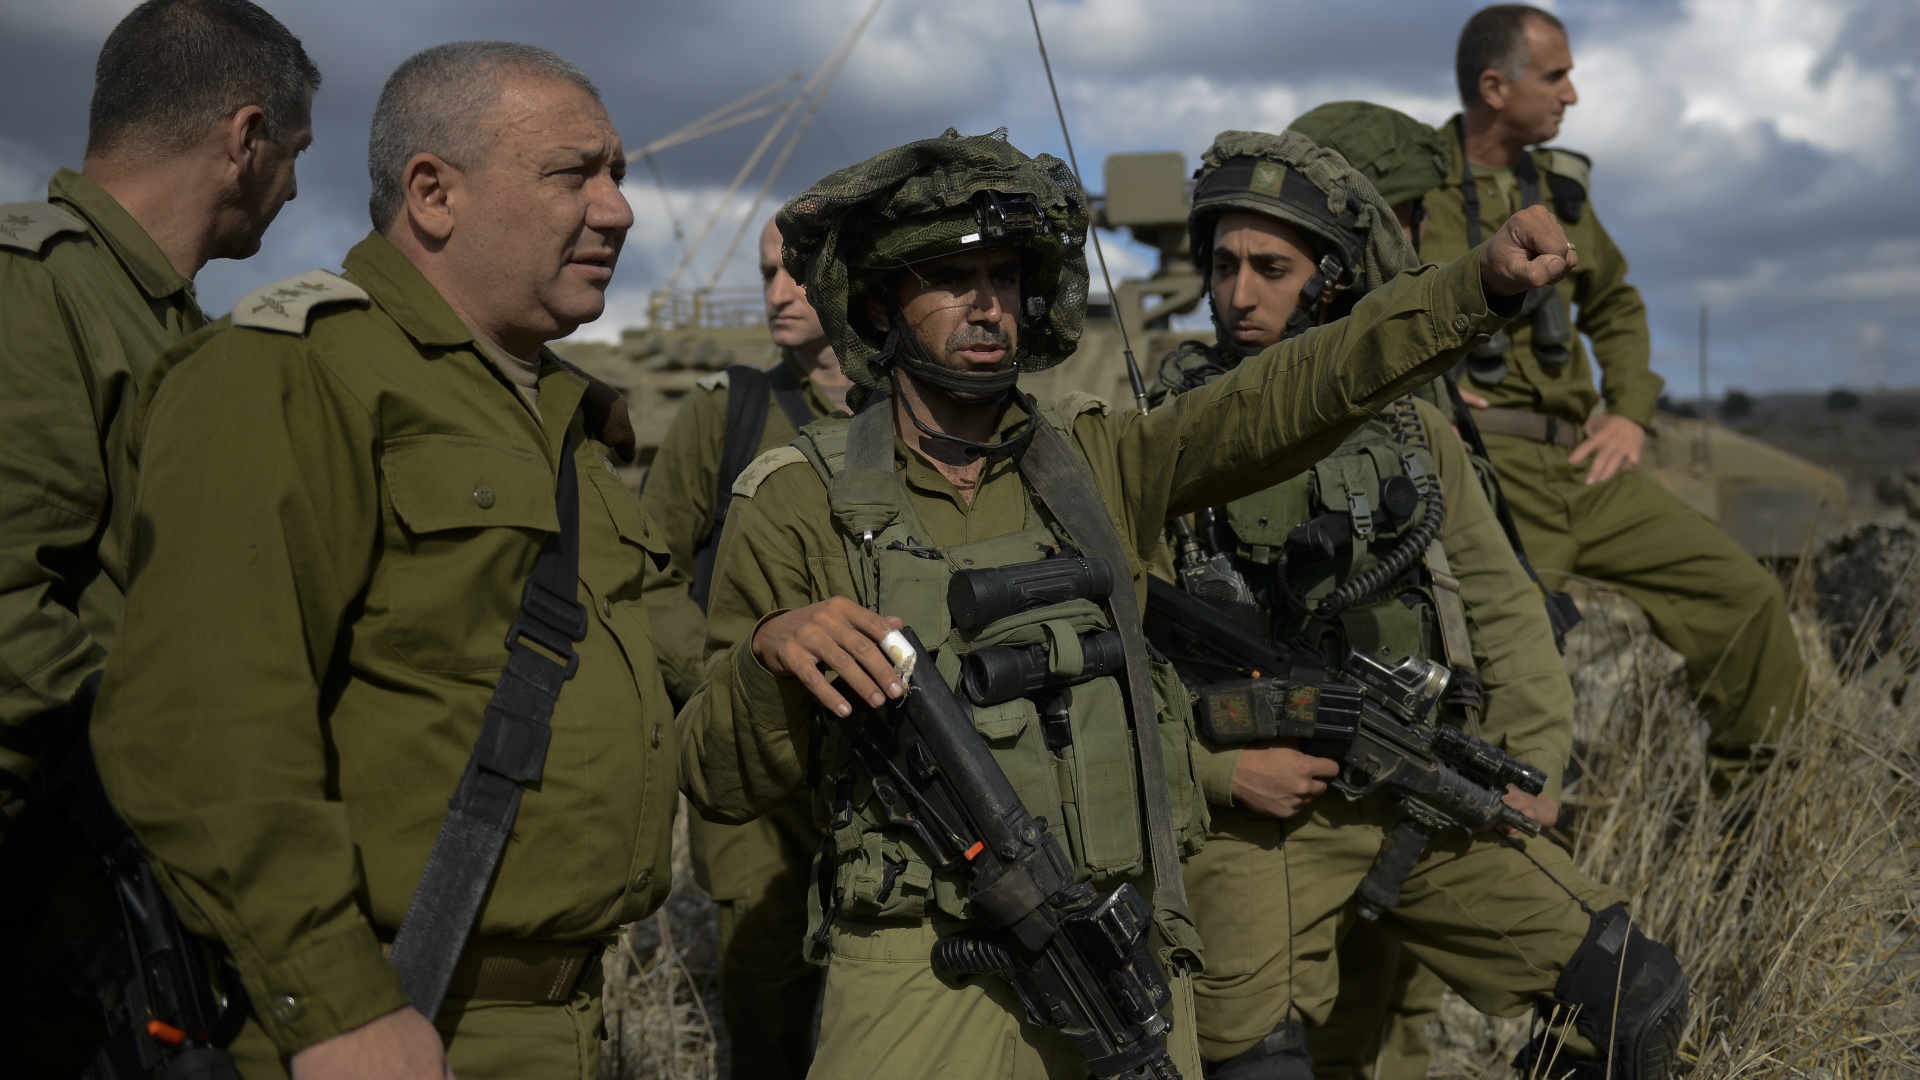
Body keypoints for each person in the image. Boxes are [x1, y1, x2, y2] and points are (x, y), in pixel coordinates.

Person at [674, 126, 1579, 1078]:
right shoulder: (798, 499)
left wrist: (1473, 289)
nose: (986, 305)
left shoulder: (1101, 461)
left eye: (1004, 277)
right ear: (878, 305)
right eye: (948, 278)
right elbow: (718, 777)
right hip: (917, 968)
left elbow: (1294, 393)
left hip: (1120, 958)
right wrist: (773, 652)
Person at [92, 42, 677, 1079]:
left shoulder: (563, 414)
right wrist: (335, 1008)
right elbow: (201, 723)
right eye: (572, 174)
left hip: (562, 1024)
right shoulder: (289, 373)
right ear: (433, 194)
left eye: (618, 175)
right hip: (389, 1017)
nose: (618, 209)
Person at [1155, 128, 1689, 1080]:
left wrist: (1529, 762)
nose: (1239, 294)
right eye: (1225, 265)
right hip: (1257, 815)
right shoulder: (1163, 437)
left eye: (1271, 268)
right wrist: (1220, 774)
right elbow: (1115, 660)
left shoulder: (1412, 430)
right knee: (1257, 1064)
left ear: (1329, 283)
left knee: (1633, 997)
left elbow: (1505, 609)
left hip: (1416, 786)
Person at [0, 0, 316, 1069]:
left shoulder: (169, 325)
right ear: (245, 137)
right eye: (294, 151)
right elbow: (10, 620)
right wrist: (157, 790)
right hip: (59, 891)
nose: (294, 187)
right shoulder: (36, 287)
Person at [1423, 4, 1807, 779]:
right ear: (1495, 87)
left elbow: (1616, 304)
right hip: (1483, 471)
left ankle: (1758, 821)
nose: (1572, 94)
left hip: (1582, 466)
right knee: (1504, 667)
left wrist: (1630, 412)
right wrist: (1435, 400)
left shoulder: (1557, 188)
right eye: (1555, 76)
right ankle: (1513, 832)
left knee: (1744, 599)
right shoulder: (1410, 191)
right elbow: (1363, 316)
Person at [1288, 97, 1570, 1080]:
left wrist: (1531, 755)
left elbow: (1495, 589)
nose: (1410, 240)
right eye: (1399, 217)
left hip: (1433, 746)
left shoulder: (1420, 384)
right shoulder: (1261, 391)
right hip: (1311, 777)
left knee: (1399, 1011)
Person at [639, 216, 848, 1078]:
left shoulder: (909, 418)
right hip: (757, 764)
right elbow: (646, 572)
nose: (777, 294)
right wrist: (724, 675)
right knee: (766, 999)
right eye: (767, 274)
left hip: (879, 753)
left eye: (797, 273)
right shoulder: (727, 414)